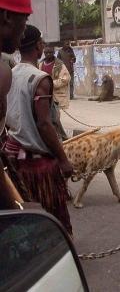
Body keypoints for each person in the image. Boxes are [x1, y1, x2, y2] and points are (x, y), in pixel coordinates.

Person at [4, 25, 73, 235]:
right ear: (39, 46)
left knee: (25, 218)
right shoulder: (40, 78)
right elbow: (44, 124)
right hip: (39, 166)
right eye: (43, 42)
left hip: (15, 161)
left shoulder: (10, 73)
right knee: (50, 216)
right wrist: (63, 159)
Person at [0, 0, 32, 209]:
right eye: (25, 18)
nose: (25, 29)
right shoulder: (2, 72)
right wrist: (18, 213)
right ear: (6, 16)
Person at [39, 44, 70, 141]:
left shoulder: (59, 65)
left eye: (50, 52)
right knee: (45, 119)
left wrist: (51, 84)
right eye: (46, 53)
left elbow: (65, 79)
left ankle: (63, 138)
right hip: (44, 96)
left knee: (55, 119)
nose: (48, 54)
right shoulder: (40, 64)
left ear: (54, 52)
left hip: (56, 96)